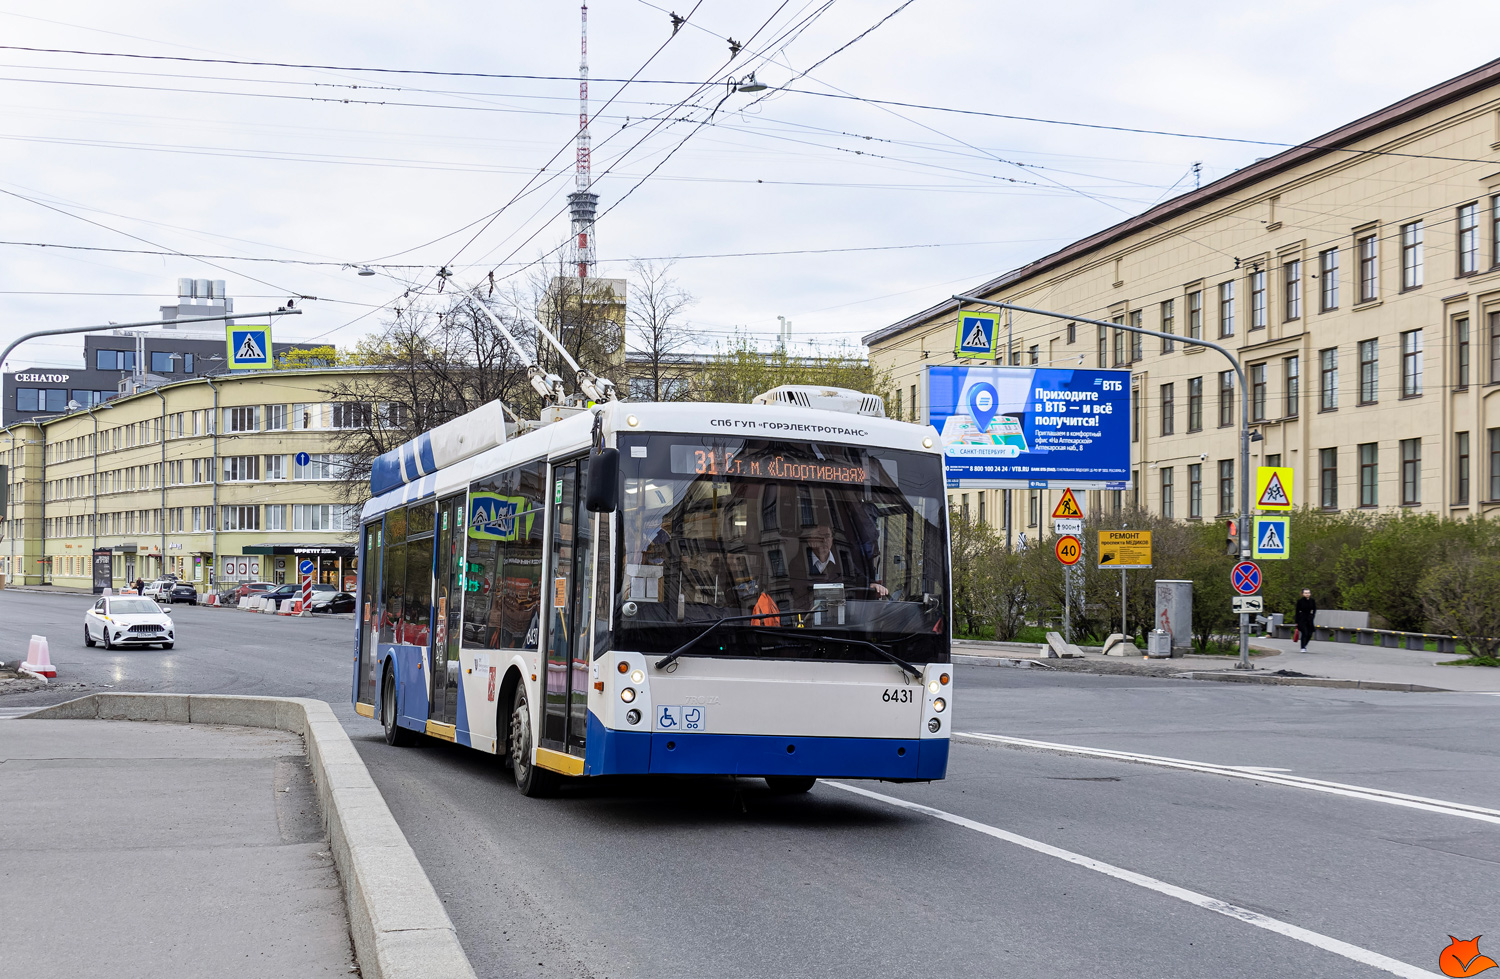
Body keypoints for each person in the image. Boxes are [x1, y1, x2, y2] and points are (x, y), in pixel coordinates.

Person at [802, 525, 887, 598]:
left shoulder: (844, 560)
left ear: (832, 540)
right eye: (819, 537)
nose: (824, 541)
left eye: (827, 536)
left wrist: (874, 586)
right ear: (810, 541)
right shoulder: (797, 564)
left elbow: (862, 581)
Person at [1294, 588, 1317, 652]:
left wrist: (1312, 616)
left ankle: (1305, 644)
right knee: (1305, 632)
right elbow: (1297, 611)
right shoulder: (1300, 601)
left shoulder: (1312, 600)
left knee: (1310, 633)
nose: (1307, 594)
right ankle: (1302, 647)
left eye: (1308, 593)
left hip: (1309, 619)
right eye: (1306, 593)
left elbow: (1314, 609)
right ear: (1303, 594)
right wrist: (1297, 621)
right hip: (1302, 619)